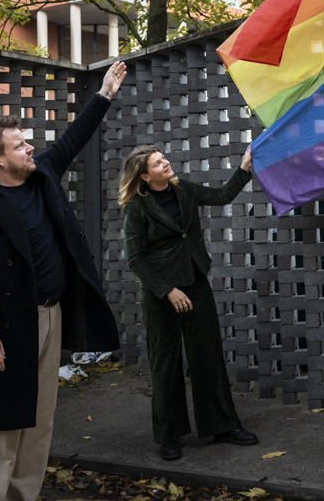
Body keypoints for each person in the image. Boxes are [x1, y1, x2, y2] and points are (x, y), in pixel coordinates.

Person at [0, 61, 127, 500]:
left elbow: (74, 137)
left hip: (50, 316)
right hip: (5, 328)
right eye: (20, 144)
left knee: (40, 419)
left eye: (27, 141)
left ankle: (21, 496)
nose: (31, 148)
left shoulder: (42, 174)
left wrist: (103, 93)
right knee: (1, 425)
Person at [118, 144, 258, 460]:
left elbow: (222, 196)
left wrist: (245, 166)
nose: (166, 163)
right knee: (165, 364)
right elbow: (136, 259)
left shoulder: (185, 190)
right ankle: (170, 436)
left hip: (195, 284)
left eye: (164, 158)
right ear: (144, 175)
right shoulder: (136, 208)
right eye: (157, 162)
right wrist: (168, 290)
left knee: (208, 356)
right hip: (160, 295)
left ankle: (222, 425)